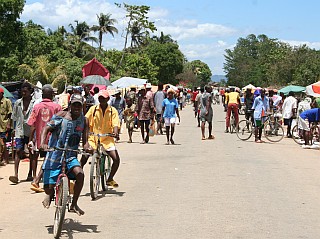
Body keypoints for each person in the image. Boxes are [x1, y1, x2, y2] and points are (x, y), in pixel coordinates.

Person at [40, 94, 90, 215]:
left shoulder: (84, 120)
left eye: (79, 105)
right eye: (75, 105)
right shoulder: (61, 116)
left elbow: (85, 139)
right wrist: (43, 143)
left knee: (80, 174)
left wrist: (87, 146)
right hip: (55, 153)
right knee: (48, 188)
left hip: (71, 155)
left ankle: (74, 204)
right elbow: (46, 128)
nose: (77, 107)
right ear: (70, 105)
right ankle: (50, 194)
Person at [27, 85, 62, 192]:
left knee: (36, 157)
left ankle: (35, 177)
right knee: (49, 159)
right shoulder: (57, 107)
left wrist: (30, 139)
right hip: (53, 138)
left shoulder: (36, 107)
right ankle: (38, 180)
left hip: (39, 138)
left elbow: (32, 124)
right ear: (52, 95)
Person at [83, 90, 121, 188]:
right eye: (100, 98)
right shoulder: (93, 109)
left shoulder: (112, 110)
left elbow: (115, 123)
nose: (101, 100)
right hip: (93, 137)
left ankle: (110, 178)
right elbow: (86, 119)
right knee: (85, 156)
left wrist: (115, 132)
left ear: (108, 99)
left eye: (103, 98)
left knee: (116, 159)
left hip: (107, 139)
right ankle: (76, 177)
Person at [9, 82, 36, 184]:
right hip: (20, 130)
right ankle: (16, 174)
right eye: (22, 91)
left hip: (31, 130)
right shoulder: (17, 103)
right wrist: (12, 128)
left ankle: (31, 174)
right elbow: (14, 117)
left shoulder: (34, 103)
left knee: (31, 152)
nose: (23, 93)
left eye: (26, 91)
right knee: (18, 151)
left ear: (30, 91)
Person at [0, 87, 12, 166]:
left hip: (4, 126)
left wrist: (8, 124)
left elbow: (10, 114)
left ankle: (4, 159)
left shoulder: (7, 101)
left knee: (2, 143)